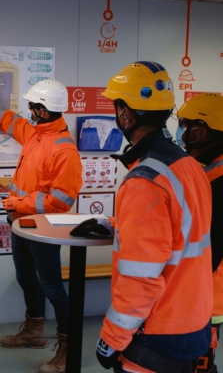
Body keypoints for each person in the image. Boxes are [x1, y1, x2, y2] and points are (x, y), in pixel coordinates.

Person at [71, 61, 213, 372]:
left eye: (117, 105)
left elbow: (141, 277)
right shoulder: (187, 165)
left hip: (157, 331)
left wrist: (112, 338)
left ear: (126, 113)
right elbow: (178, 233)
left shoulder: (144, 181)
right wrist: (116, 225)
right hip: (194, 320)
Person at [0, 79, 83, 373]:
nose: (28, 110)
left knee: (53, 287)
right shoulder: (35, 133)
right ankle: (34, 333)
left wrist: (20, 204)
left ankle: (69, 352)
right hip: (21, 226)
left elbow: (61, 201)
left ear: (43, 110)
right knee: (27, 280)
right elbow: (8, 120)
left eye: (33, 106)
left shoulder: (64, 150)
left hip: (42, 229)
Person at [177, 92, 223, 373]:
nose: (181, 132)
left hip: (207, 296)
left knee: (200, 364)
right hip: (206, 293)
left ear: (201, 131)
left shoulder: (219, 182)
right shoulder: (211, 171)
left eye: (184, 125)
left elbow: (212, 248)